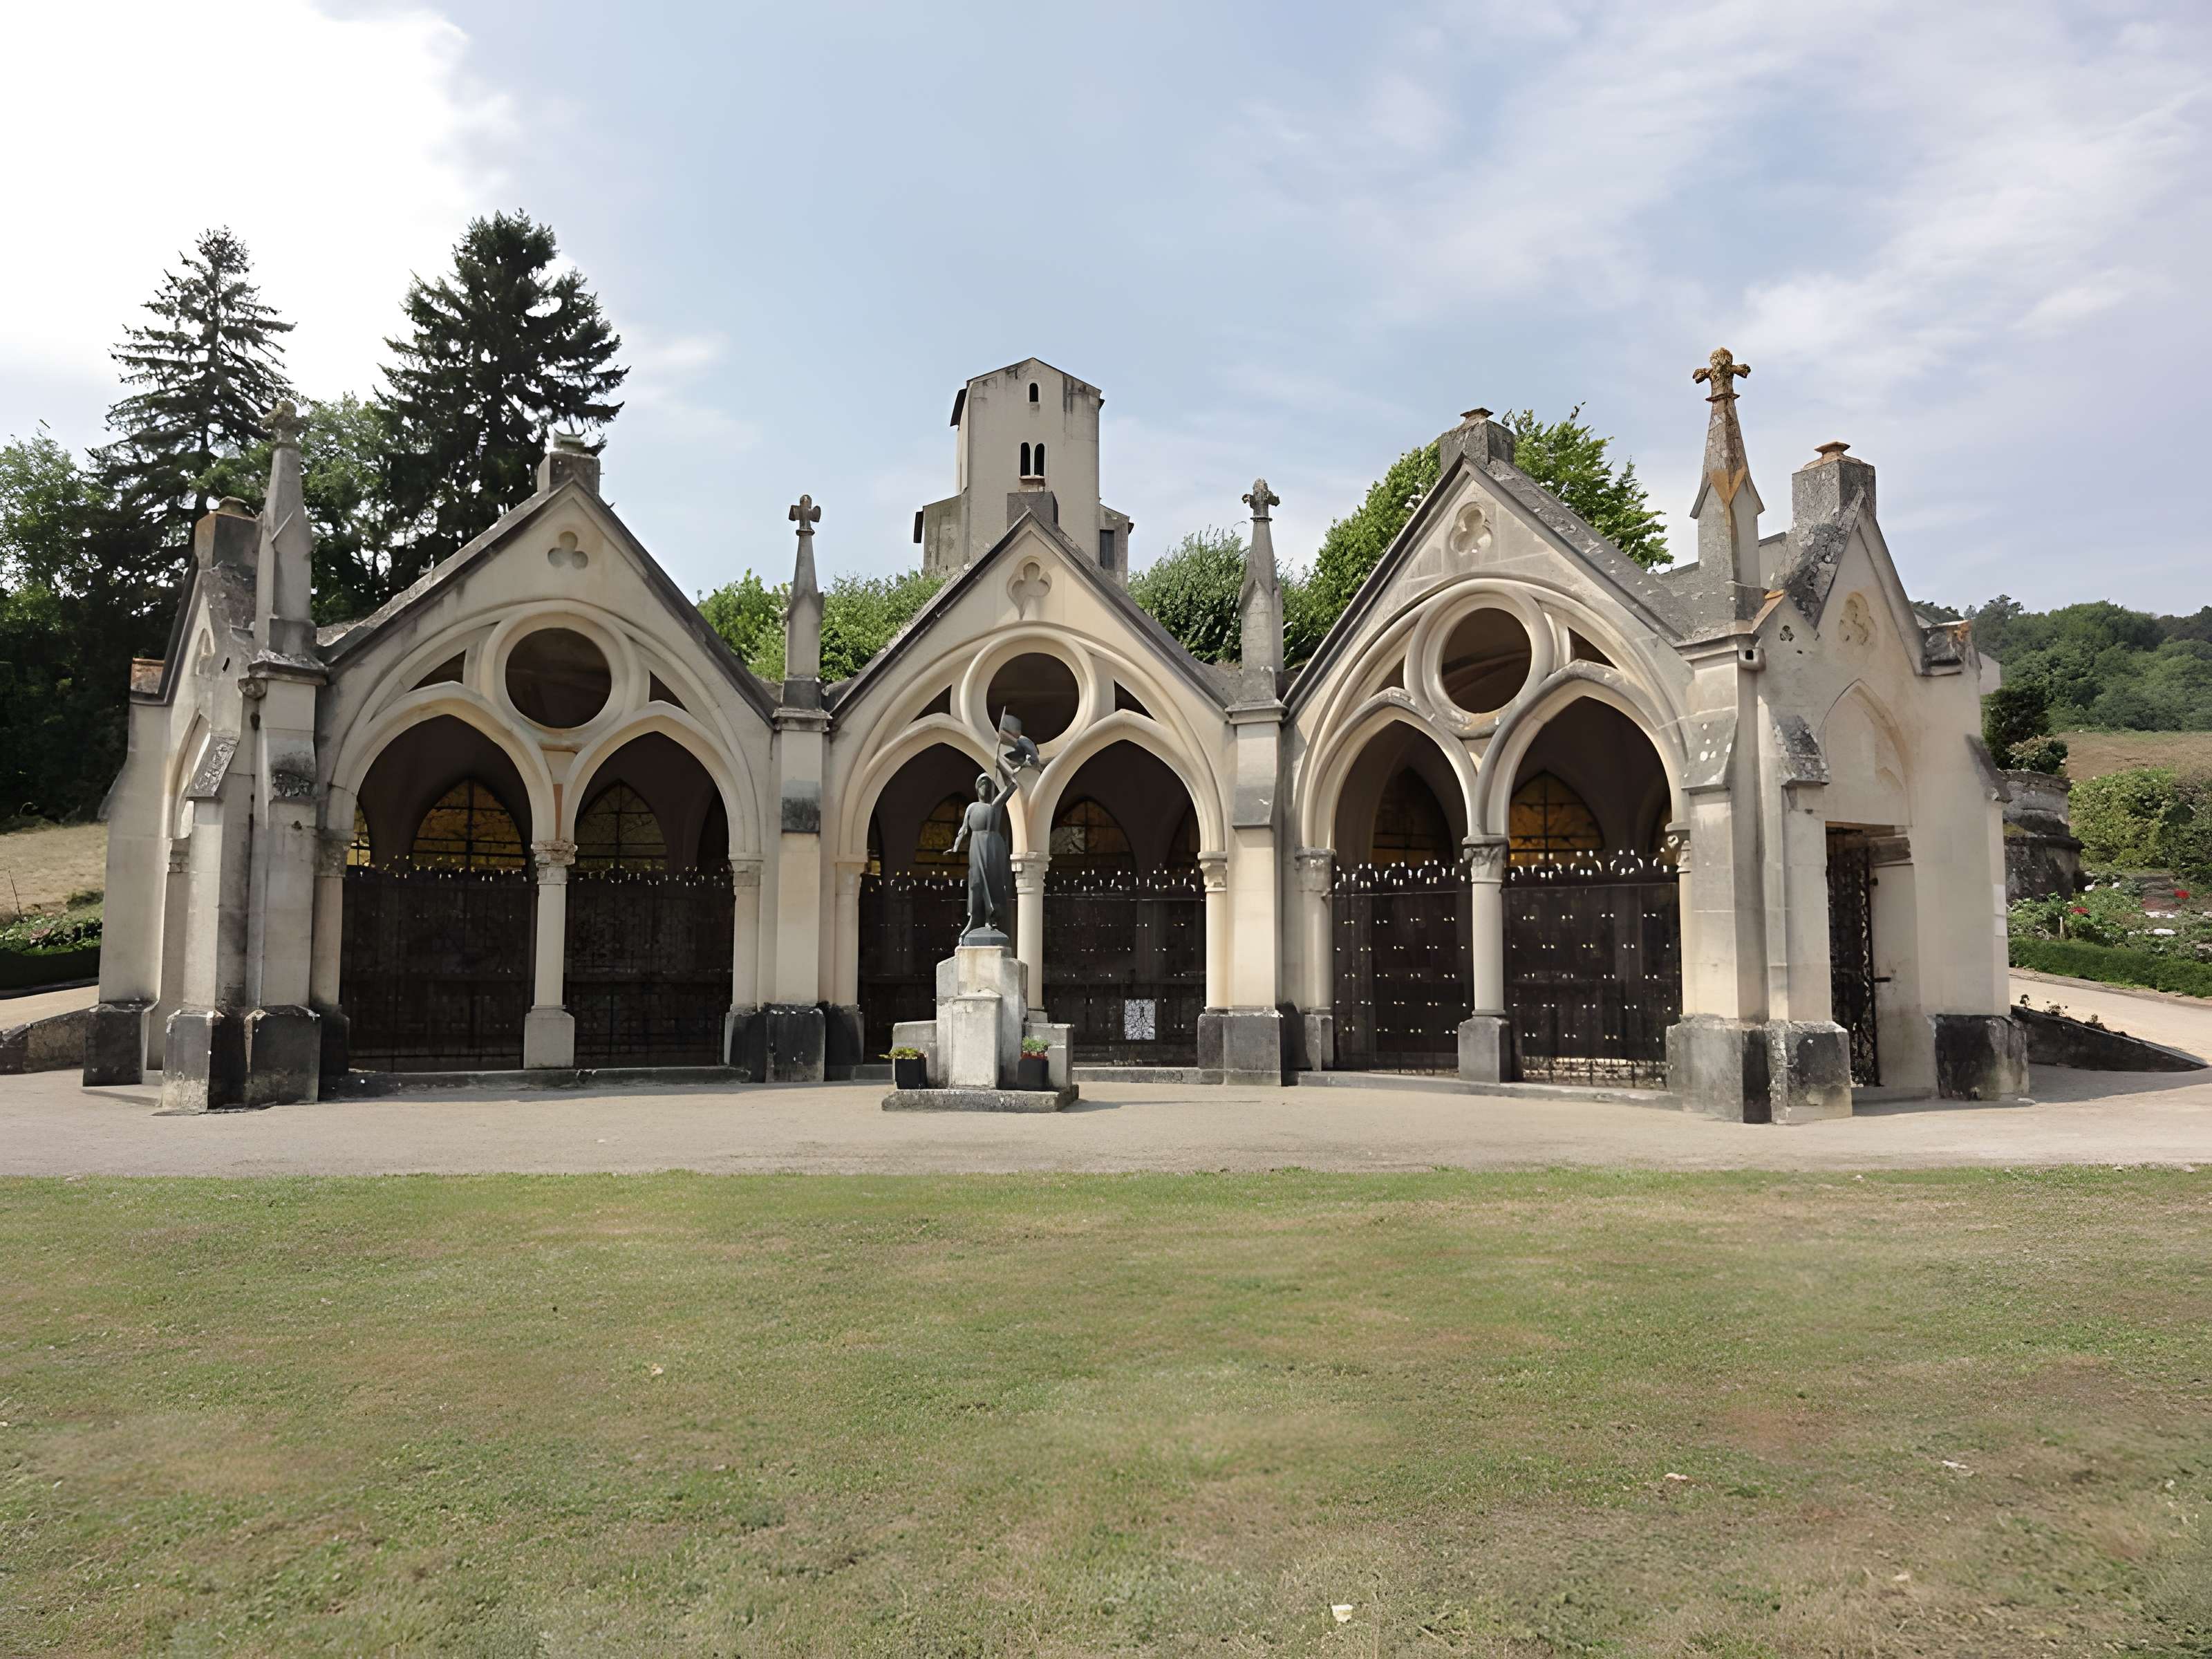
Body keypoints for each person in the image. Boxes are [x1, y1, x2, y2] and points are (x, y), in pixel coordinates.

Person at [951, 758, 1020, 943]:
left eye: (987, 785)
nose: (984, 788)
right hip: (976, 845)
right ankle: (974, 919)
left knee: (993, 881)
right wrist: (955, 846)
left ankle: (992, 919)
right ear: (976, 788)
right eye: (981, 785)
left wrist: (1009, 769)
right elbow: (964, 829)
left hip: (993, 847)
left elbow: (1011, 789)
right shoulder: (972, 807)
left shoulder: (994, 806)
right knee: (975, 882)